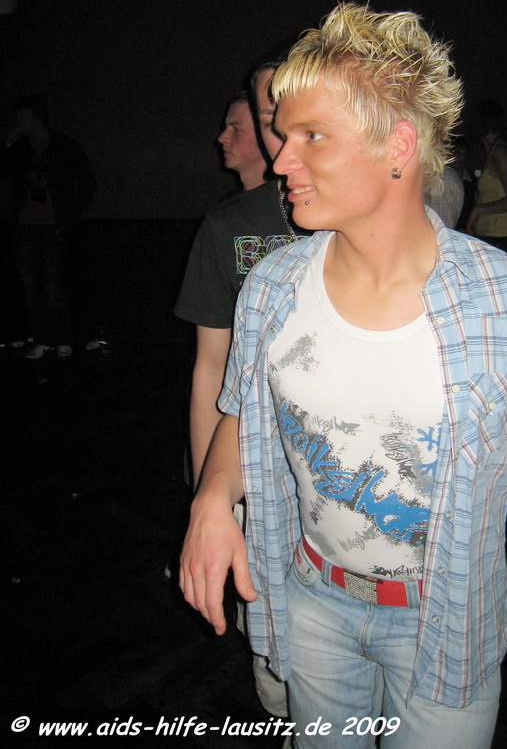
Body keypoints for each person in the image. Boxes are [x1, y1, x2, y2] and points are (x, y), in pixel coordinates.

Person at [179, 4, 507, 749]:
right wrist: (212, 499)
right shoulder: (273, 287)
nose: (282, 162)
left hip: (443, 619)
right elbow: (246, 417)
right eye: (285, 135)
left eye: (312, 136)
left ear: (398, 146)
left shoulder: (506, 298)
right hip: (311, 603)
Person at [175, 72, 306, 720]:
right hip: (258, 465)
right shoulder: (229, 224)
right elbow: (212, 370)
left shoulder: (344, 218)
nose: (223, 138)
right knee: (277, 652)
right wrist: (210, 491)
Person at [1, 95, 96, 359]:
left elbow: (87, 183)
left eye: (23, 115)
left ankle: (64, 339)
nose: (18, 121)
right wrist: (8, 144)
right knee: (31, 287)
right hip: (24, 226)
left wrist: (69, 216)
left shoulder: (64, 146)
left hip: (54, 226)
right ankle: (42, 339)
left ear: (38, 117)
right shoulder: (20, 148)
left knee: (53, 285)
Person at [465, 99, 507, 255]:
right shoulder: (493, 151)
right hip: (492, 236)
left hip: (502, 238)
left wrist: (477, 210)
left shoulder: (500, 152)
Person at [424, 140, 464, 228]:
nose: (457, 155)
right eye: (453, 150)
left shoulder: (443, 178)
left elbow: (441, 226)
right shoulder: (442, 177)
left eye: (462, 151)